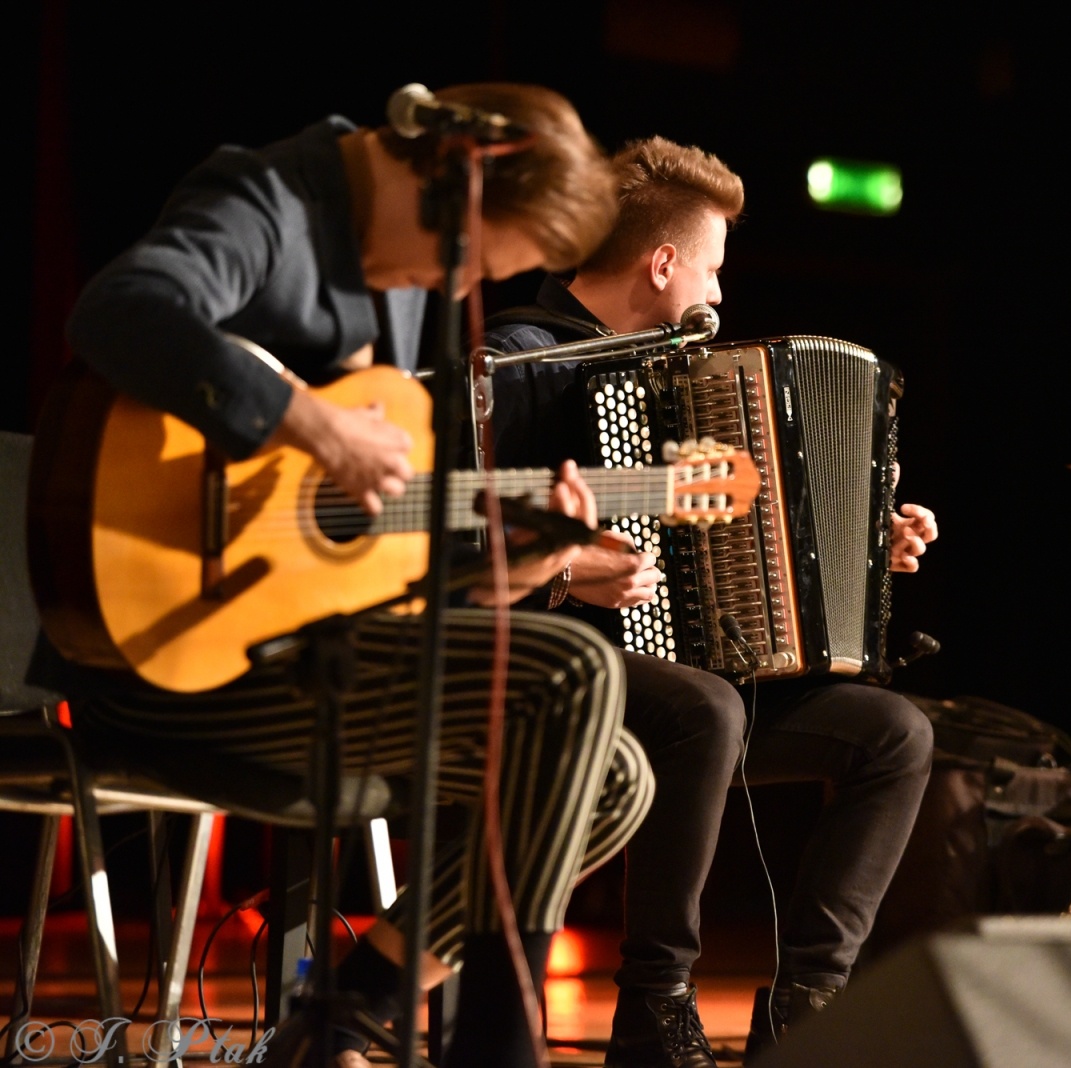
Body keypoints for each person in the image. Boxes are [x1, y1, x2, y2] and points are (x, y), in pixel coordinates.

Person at [46, 83, 650, 1068]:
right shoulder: (270, 199)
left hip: (309, 652)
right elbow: (118, 311)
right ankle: (496, 1051)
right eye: (471, 261)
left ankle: (344, 1016)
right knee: (576, 675)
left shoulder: (402, 274)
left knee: (615, 780)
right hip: (173, 655)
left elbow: (368, 559)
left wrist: (514, 566)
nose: (459, 288)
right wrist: (310, 423)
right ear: (449, 180)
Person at [481, 136, 938, 1068]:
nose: (719, 292)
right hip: (544, 675)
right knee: (707, 707)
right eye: (713, 267)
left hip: (686, 692)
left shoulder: (687, 374)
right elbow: (456, 543)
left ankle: (809, 1006)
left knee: (895, 734)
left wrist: (863, 545)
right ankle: (654, 1006)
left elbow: (743, 536)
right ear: (663, 264)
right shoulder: (519, 362)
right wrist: (566, 572)